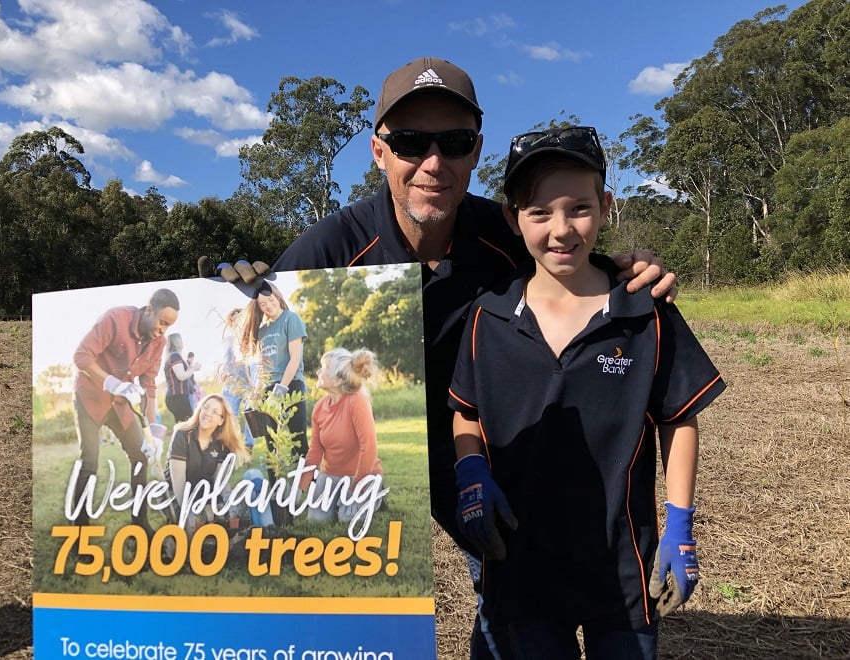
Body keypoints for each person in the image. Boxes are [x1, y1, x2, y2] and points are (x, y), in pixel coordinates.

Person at [269, 56, 678, 658]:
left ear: (476, 152)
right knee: (340, 572)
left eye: (455, 142)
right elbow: (259, 330)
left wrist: (634, 267)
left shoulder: (502, 230)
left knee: (507, 568)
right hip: (368, 439)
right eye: (410, 142)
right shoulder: (333, 247)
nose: (433, 163)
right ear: (379, 152)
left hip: (477, 441)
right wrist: (240, 289)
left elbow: (573, 251)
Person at [447, 126, 726, 659]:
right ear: (512, 219)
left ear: (605, 204)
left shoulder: (645, 312)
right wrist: (471, 474)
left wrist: (681, 525)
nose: (561, 229)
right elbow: (466, 412)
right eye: (539, 212)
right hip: (519, 567)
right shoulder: (489, 317)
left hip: (621, 572)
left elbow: (679, 419)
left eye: (578, 207)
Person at [71, 287, 179, 535]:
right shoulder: (115, 319)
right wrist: (113, 383)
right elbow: (81, 356)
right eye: (162, 322)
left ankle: (139, 523)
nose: (163, 330)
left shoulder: (158, 342)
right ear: (149, 310)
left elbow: (149, 385)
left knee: (140, 457)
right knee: (89, 463)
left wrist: (153, 433)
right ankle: (78, 534)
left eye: (168, 326)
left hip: (122, 406)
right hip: (91, 398)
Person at [300, 348, 384, 523]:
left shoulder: (357, 400)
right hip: (330, 475)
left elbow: (368, 447)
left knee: (347, 518)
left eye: (324, 367)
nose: (317, 372)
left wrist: (356, 488)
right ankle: (339, 501)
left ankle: (374, 494)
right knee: (317, 520)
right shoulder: (319, 407)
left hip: (361, 475)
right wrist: (301, 486)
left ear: (338, 380)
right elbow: (315, 450)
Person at [239, 281, 309, 459]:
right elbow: (263, 366)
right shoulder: (262, 331)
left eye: (271, 300)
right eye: (263, 304)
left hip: (291, 385)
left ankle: (307, 483)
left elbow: (295, 359)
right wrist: (257, 393)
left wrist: (280, 391)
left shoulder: (291, 319)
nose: (268, 305)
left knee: (298, 440)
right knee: (271, 444)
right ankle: (275, 484)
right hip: (269, 389)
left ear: (277, 297)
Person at [166, 393, 250, 532]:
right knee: (195, 525)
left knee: (220, 518)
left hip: (203, 490)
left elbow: (220, 481)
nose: (208, 413)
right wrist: (189, 513)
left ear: (221, 420)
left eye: (215, 412)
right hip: (177, 491)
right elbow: (179, 482)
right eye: (206, 408)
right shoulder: (182, 435)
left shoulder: (222, 444)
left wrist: (230, 503)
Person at [220, 307, 256, 448]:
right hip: (232, 385)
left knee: (251, 415)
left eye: (240, 317)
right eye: (234, 318)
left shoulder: (251, 336)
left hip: (249, 384)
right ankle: (229, 445)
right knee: (230, 416)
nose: (237, 320)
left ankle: (249, 445)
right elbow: (226, 360)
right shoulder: (228, 338)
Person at [163, 333, 201, 422]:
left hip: (175, 396)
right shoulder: (175, 356)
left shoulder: (171, 357)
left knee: (182, 426)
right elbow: (181, 376)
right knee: (187, 426)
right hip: (178, 397)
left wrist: (192, 368)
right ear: (178, 342)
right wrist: (194, 368)